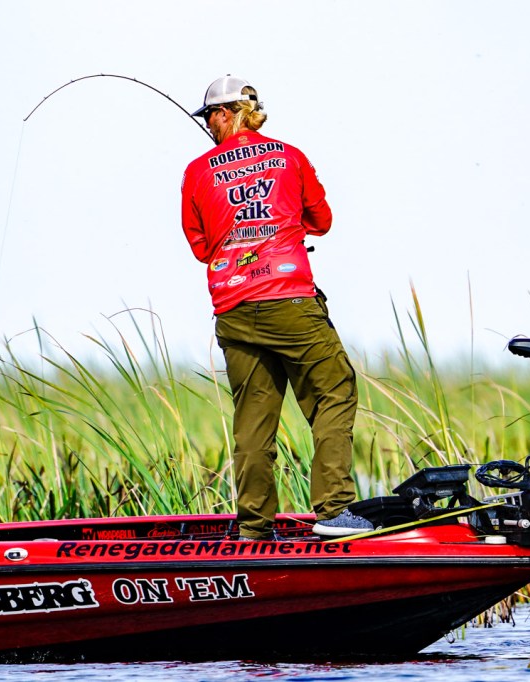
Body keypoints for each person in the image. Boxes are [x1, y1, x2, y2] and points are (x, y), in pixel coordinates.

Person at [181, 76, 373, 539]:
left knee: (253, 420)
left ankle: (254, 528)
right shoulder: (290, 156)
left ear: (225, 114)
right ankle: (334, 510)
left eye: (209, 118)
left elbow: (201, 246)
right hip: (289, 300)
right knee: (334, 391)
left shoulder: (196, 171)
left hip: (233, 307)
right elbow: (321, 221)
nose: (208, 126)